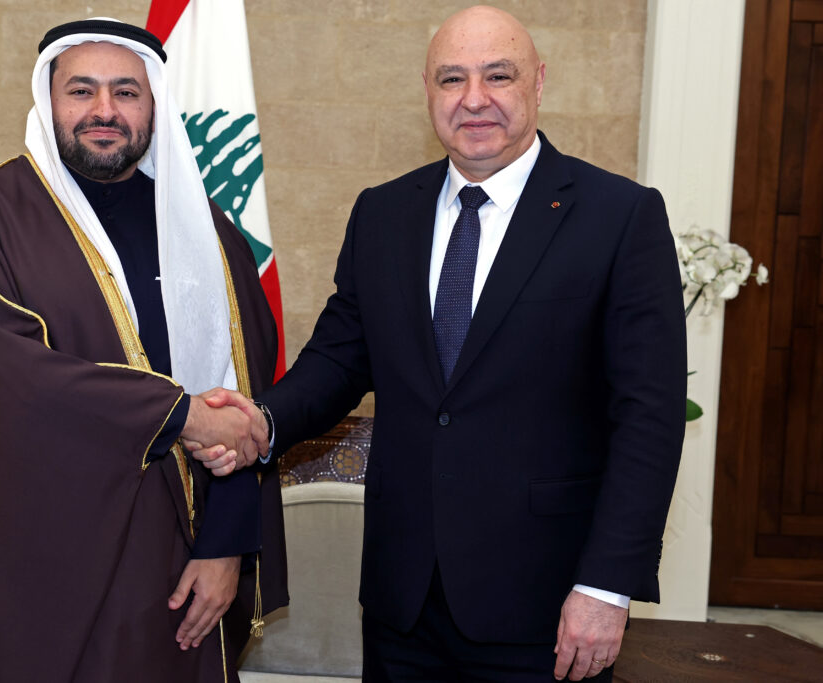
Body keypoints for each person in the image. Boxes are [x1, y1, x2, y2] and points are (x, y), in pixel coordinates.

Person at [191, 5, 685, 681]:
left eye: (498, 75)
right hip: (402, 601)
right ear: (427, 90)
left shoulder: (619, 216)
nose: (473, 98)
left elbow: (649, 416)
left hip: (546, 603)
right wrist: (263, 421)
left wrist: (606, 586)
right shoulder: (383, 212)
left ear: (539, 82)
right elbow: (339, 356)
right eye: (452, 78)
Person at [0, 18, 285, 683]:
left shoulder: (205, 230)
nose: (104, 110)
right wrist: (180, 415)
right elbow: (1, 374)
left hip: (179, 562)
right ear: (47, 99)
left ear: (154, 104)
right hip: (28, 563)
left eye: (126, 92)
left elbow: (242, 398)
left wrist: (226, 546)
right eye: (81, 91)